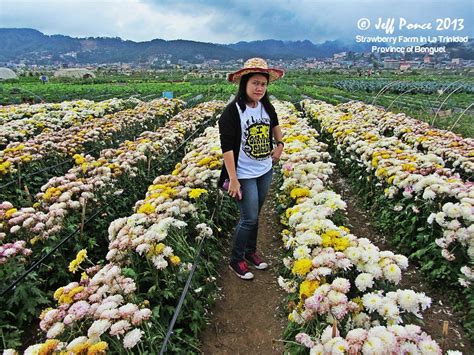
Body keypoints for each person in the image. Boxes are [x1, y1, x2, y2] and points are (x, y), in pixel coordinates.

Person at [218, 58, 285, 280]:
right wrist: (233, 179)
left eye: (263, 84)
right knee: (248, 218)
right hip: (243, 174)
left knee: (255, 215)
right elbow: (227, 149)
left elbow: (275, 125)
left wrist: (280, 145)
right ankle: (236, 260)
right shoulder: (233, 111)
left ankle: (250, 252)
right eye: (255, 83)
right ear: (244, 83)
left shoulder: (266, 106)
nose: (259, 88)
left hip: (264, 169)